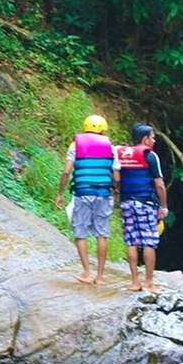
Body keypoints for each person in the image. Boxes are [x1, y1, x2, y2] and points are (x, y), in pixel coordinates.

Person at [55, 114, 120, 284]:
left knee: (80, 232)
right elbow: (117, 177)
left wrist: (60, 193)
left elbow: (66, 172)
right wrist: (115, 190)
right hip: (103, 194)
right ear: (102, 129)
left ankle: (86, 273)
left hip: (82, 193)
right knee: (102, 234)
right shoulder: (111, 148)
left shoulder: (75, 145)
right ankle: (99, 277)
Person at [115, 123, 168, 293]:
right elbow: (159, 184)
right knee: (148, 241)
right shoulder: (150, 156)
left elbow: (116, 178)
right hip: (145, 203)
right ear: (145, 139)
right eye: (152, 137)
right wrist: (164, 206)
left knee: (131, 241)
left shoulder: (121, 154)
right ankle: (149, 283)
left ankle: (135, 282)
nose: (153, 141)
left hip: (126, 202)